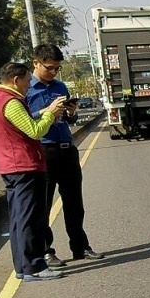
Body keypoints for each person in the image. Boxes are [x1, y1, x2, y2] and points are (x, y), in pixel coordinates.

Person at [0, 61, 68, 281]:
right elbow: (34, 130)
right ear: (15, 80)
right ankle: (35, 266)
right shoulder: (10, 102)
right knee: (31, 219)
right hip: (25, 166)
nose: (29, 85)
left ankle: (23, 266)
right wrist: (50, 115)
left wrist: (45, 111)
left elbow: (19, 122)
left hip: (11, 167)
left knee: (19, 219)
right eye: (27, 80)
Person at [27, 44, 104, 268]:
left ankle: (80, 246)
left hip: (66, 149)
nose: (53, 73)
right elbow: (23, 120)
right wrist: (47, 110)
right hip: (43, 151)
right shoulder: (27, 90)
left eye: (57, 69)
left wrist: (71, 113)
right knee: (44, 206)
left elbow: (69, 120)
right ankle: (46, 251)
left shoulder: (60, 86)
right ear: (36, 63)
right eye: (49, 68)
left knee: (74, 203)